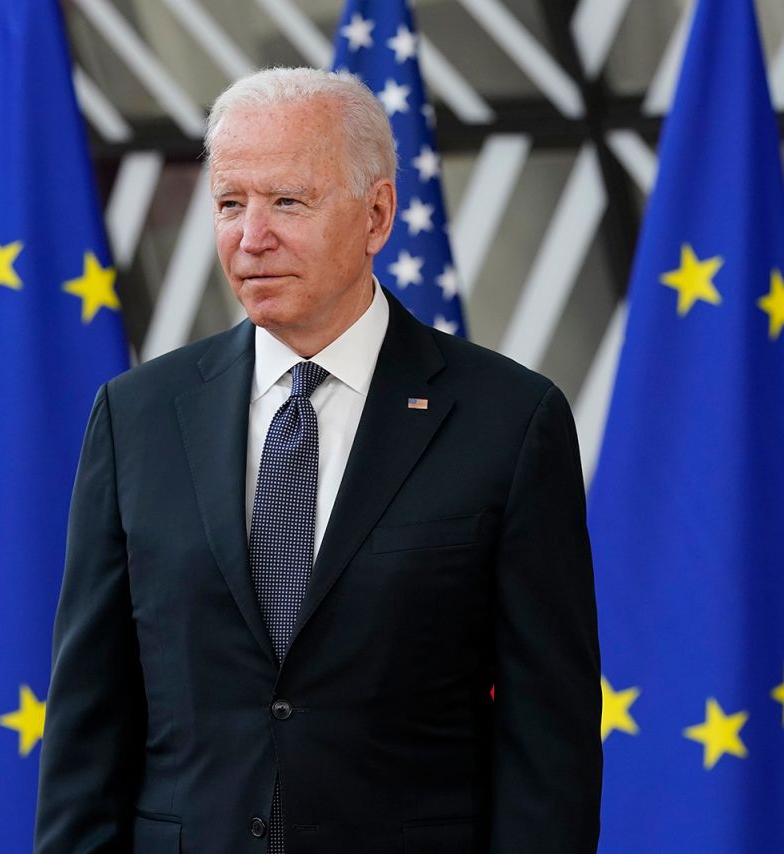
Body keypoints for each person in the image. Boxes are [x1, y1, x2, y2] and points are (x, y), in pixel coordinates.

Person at [36, 67, 601, 853]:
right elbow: (86, 726)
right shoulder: (134, 419)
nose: (250, 236)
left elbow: (551, 745)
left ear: (377, 215)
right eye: (231, 203)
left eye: (287, 202)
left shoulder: (509, 422)